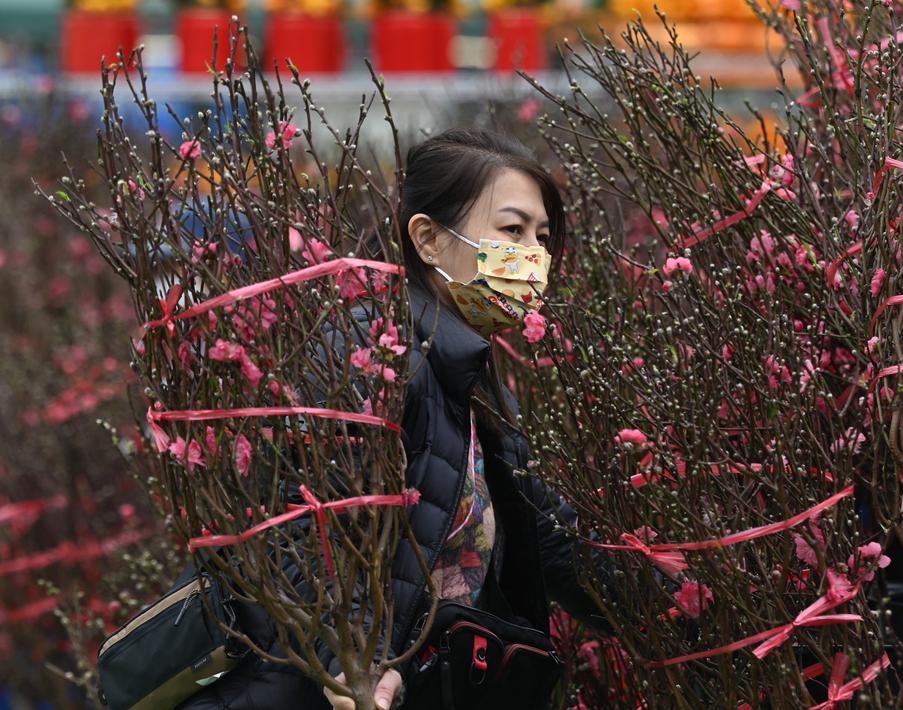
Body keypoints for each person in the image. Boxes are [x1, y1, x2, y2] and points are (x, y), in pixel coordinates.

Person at [178, 128, 609, 709]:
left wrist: (672, 606)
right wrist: (354, 663)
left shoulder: (471, 379)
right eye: (513, 230)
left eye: (542, 237)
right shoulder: (373, 357)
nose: (533, 255)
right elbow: (300, 525)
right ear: (427, 239)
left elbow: (547, 536)